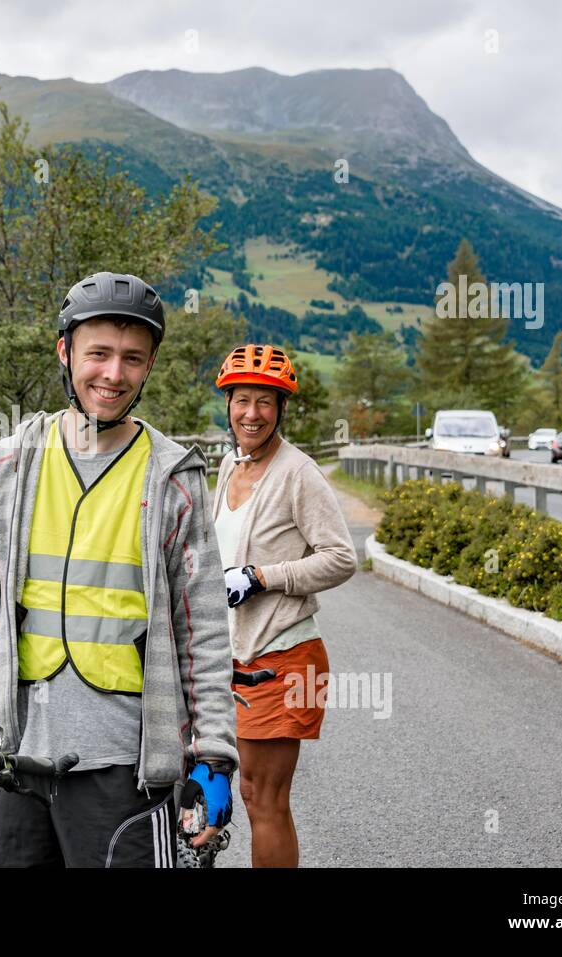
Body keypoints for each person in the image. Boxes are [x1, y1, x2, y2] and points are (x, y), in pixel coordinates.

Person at [0, 271, 238, 868]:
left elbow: (202, 628)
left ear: (149, 365)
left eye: (132, 358)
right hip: (10, 754)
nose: (113, 374)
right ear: (65, 353)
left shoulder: (173, 477)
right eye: (97, 353)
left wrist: (214, 754)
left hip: (124, 766)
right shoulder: (10, 463)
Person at [211, 343, 356, 868]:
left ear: (281, 409)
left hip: (285, 657)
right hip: (232, 654)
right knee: (231, 787)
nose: (252, 413)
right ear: (227, 405)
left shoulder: (298, 473)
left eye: (265, 402)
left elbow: (341, 559)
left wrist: (263, 577)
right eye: (242, 400)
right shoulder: (229, 465)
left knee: (264, 800)